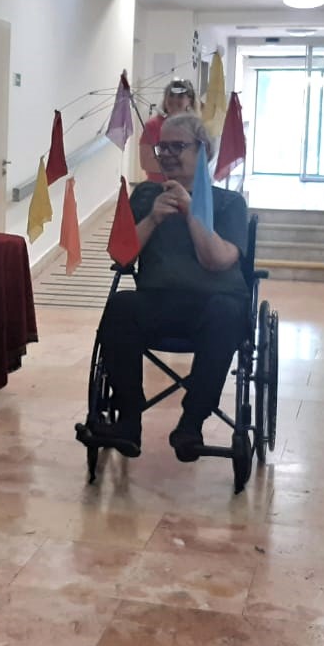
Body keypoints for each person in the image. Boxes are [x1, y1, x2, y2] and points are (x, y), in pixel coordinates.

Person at [80, 112, 249, 462]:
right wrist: (153, 218)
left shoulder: (229, 203)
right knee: (121, 307)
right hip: (158, 301)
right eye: (162, 148)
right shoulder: (145, 196)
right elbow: (121, 256)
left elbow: (216, 260)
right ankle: (128, 422)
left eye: (177, 146)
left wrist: (191, 212)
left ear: (203, 151)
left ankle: (191, 424)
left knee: (227, 314)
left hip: (214, 304)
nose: (167, 154)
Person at [138, 79, 197, 184]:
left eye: (180, 96)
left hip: (189, 186)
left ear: (190, 100)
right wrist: (181, 166)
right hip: (159, 186)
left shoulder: (195, 127)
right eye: (171, 95)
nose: (174, 100)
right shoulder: (153, 125)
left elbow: (199, 162)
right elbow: (146, 163)